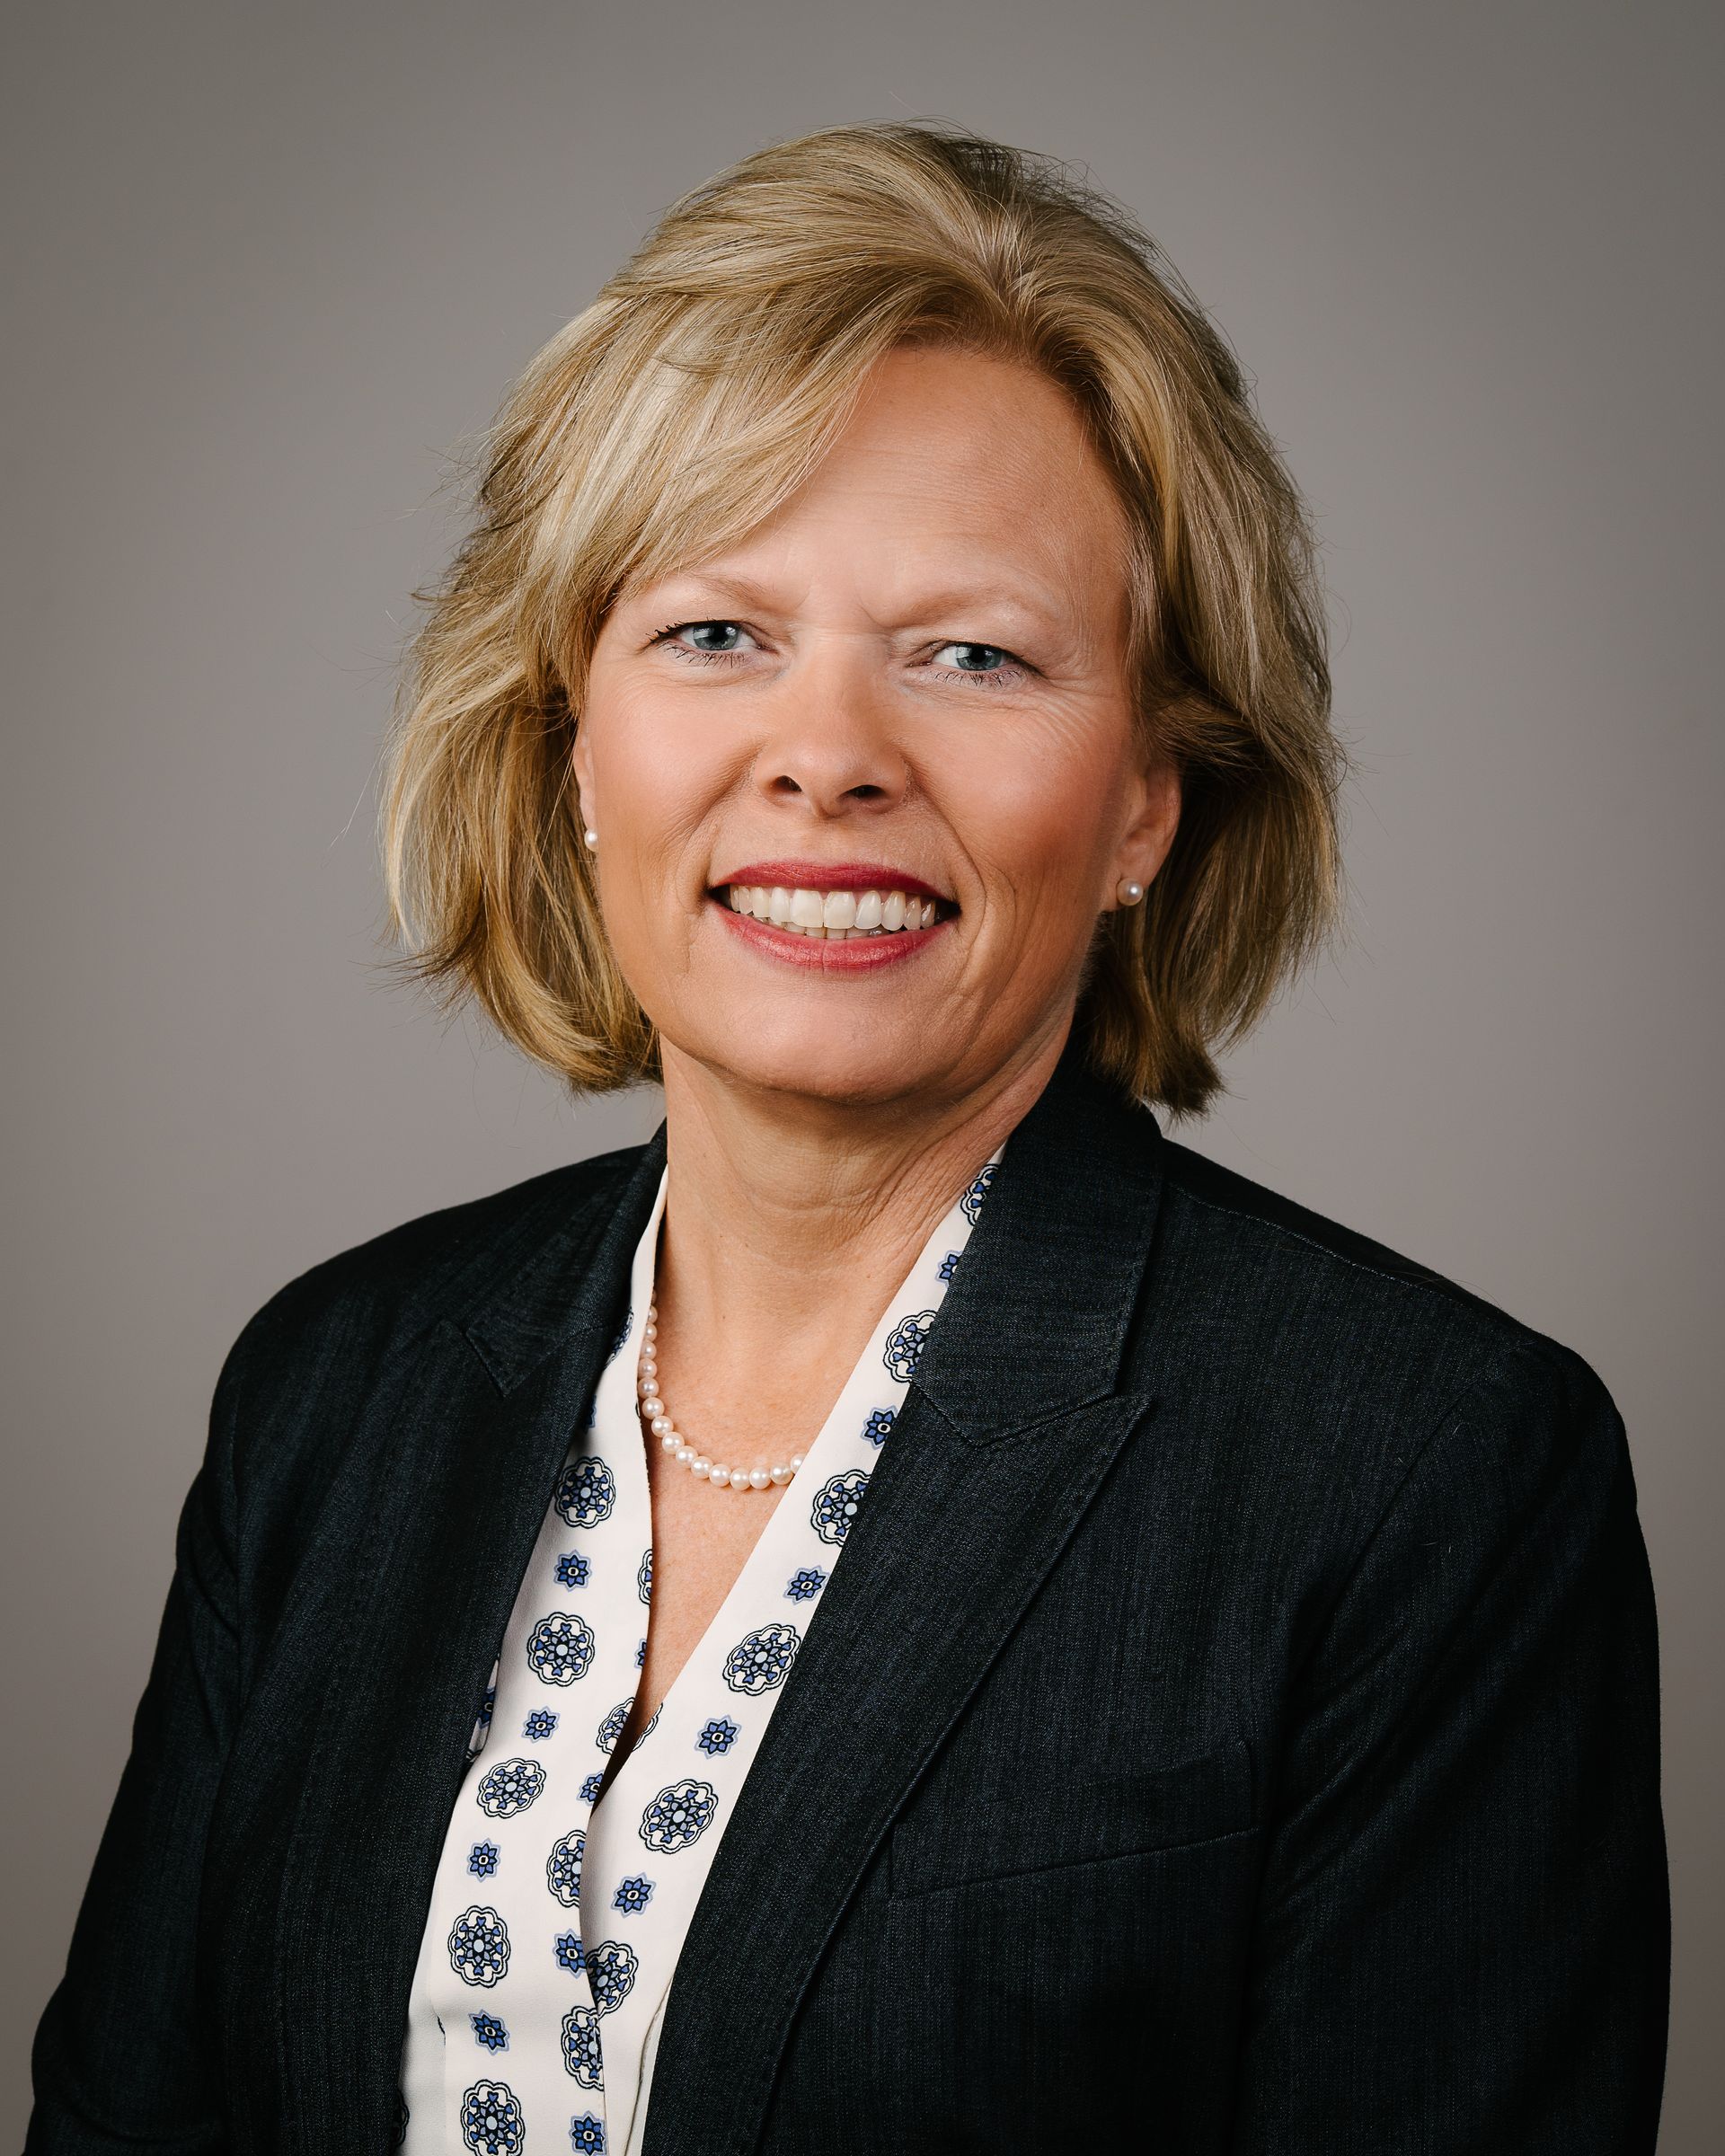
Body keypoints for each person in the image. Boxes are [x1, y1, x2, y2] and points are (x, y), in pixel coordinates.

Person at [27, 121, 1668, 2155]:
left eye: (971, 656)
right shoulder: (332, 1393)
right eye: (718, 634)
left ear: (1149, 798)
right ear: (572, 749)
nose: (827, 757)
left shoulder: (1423, 1479)